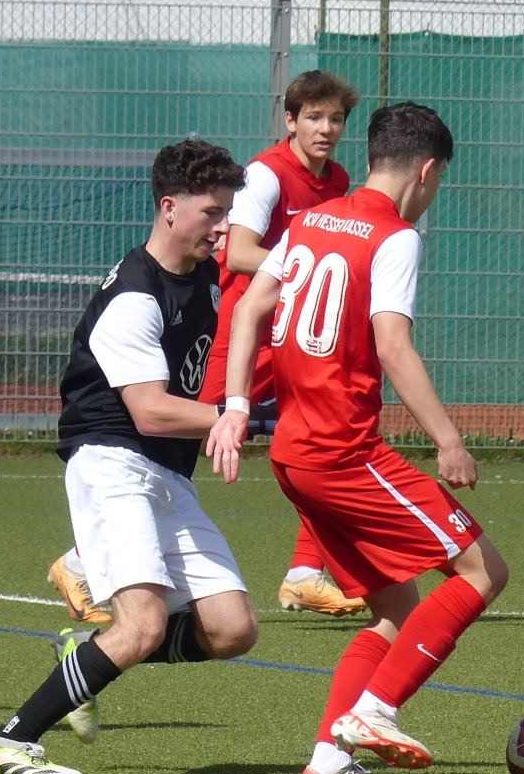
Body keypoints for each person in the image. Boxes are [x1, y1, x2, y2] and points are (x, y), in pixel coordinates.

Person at [207, 103, 509, 774]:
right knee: (483, 570)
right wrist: (448, 440)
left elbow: (249, 308)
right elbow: (393, 346)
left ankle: (327, 767)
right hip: (343, 452)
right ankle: (378, 710)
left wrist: (237, 406)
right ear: (427, 171)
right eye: (440, 181)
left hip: (292, 455)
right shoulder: (395, 236)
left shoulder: (311, 220)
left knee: (397, 609)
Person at [0, 138, 259, 774]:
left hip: (165, 472)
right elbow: (150, 411)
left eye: (227, 213)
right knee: (142, 627)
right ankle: (9, 741)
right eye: (211, 213)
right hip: (113, 462)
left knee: (232, 629)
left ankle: (89, 652)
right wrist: (241, 417)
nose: (223, 228)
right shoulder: (135, 294)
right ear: (169, 207)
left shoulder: (203, 278)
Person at [46, 71, 367, 627]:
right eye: (314, 116)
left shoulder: (333, 181)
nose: (326, 128)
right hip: (231, 345)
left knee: (321, 433)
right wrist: (310, 273)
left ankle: (304, 568)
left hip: (281, 339)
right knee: (191, 435)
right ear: (290, 120)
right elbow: (239, 255)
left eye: (336, 118)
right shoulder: (265, 177)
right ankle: (81, 562)